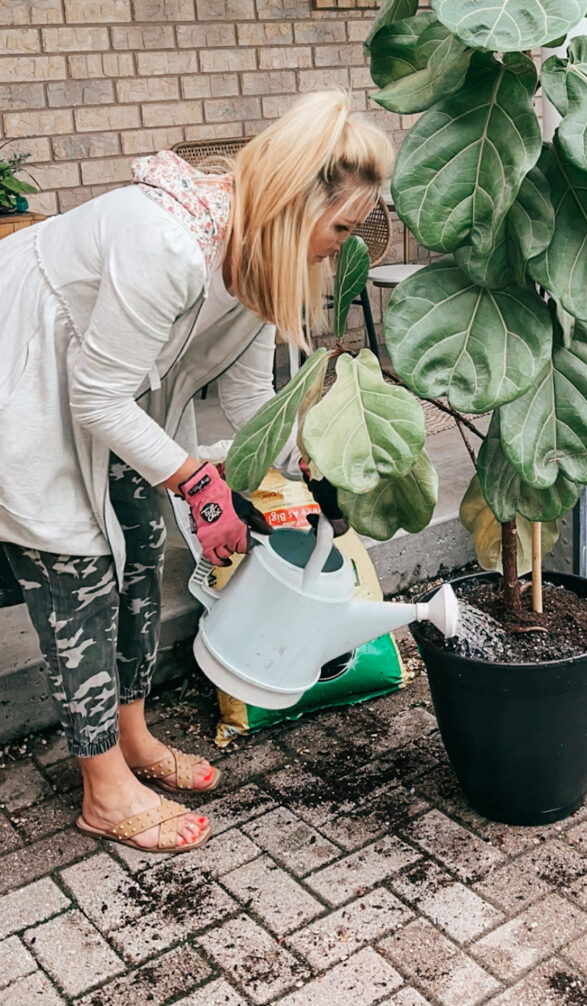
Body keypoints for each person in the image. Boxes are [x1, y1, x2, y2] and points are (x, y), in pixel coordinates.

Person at [0, 90, 394, 854]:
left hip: (102, 401)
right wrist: (197, 481)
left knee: (141, 546)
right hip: (25, 384)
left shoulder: (255, 260)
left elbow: (249, 401)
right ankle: (103, 788)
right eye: (340, 228)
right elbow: (94, 393)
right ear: (294, 201)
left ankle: (133, 735)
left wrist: (303, 469)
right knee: (79, 574)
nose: (337, 250)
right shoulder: (168, 243)